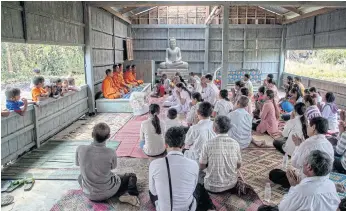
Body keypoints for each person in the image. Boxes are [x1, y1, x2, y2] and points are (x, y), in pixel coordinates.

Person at [149, 126, 215, 211]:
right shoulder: (193, 164)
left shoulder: (154, 164)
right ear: (183, 146)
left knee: (151, 191)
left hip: (163, 209)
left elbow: (154, 192)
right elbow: (193, 188)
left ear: (165, 145)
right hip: (188, 209)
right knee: (199, 187)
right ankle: (209, 207)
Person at [76, 123, 140, 206]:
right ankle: (132, 195)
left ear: (92, 134)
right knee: (131, 175)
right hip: (108, 192)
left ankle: (96, 193)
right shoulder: (111, 152)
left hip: (89, 194)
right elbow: (113, 167)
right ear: (108, 136)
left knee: (80, 177)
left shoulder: (80, 148)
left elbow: (78, 164)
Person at [269, 117, 334, 188]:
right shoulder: (329, 144)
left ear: (314, 127)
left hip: (307, 183)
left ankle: (296, 186)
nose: (307, 128)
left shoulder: (308, 143)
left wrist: (297, 146)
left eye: (309, 125)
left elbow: (295, 163)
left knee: (274, 173)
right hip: (323, 182)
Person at [264, 150, 340, 211]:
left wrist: (293, 187)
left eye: (305, 161)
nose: (303, 163)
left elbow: (282, 208)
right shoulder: (331, 184)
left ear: (309, 167)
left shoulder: (301, 190)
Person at [200, 116, 242, 193]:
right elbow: (238, 165)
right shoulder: (235, 143)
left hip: (211, 186)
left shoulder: (207, 144)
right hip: (231, 185)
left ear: (214, 129)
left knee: (198, 173)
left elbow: (202, 166)